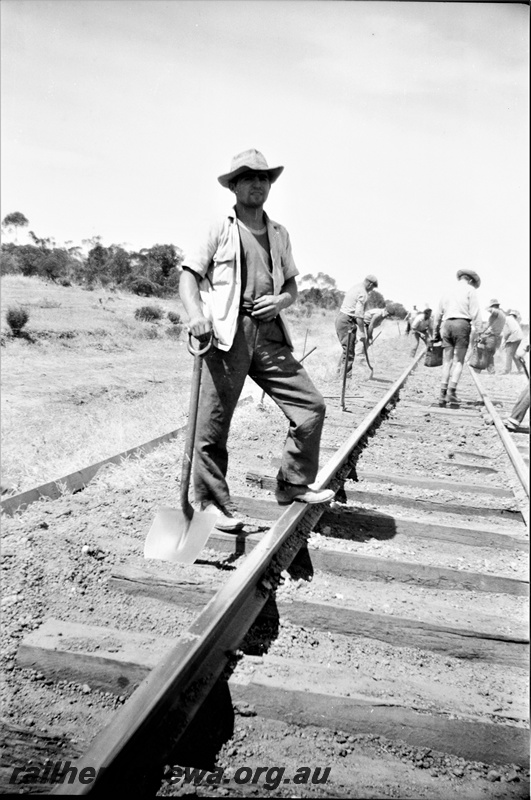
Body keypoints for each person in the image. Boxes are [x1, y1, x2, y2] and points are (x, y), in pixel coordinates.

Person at [179, 148, 335, 532]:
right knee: (212, 425)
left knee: (310, 406)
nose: (257, 184)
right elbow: (188, 277)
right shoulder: (220, 227)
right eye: (248, 178)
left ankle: (293, 483)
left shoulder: (279, 233)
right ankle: (211, 504)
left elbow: (293, 285)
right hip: (227, 335)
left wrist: (282, 299)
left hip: (269, 334)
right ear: (233, 186)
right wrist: (197, 316)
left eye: (263, 178)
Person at [432, 269, 481, 408]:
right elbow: (475, 312)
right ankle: (451, 393)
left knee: (447, 362)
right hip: (462, 325)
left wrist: (435, 332)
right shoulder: (470, 290)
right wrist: (480, 330)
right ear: (471, 280)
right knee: (459, 361)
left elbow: (438, 314)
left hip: (447, 325)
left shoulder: (447, 290)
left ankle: (442, 394)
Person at [335, 274, 379, 377]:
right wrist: (362, 333)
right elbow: (359, 315)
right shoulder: (363, 293)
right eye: (372, 288)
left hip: (342, 318)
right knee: (349, 352)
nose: (371, 290)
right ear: (370, 284)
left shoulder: (356, 287)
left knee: (347, 349)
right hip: (347, 321)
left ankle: (339, 374)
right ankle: (345, 378)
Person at [480, 300, 506, 373]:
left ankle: (489, 370)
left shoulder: (497, 312)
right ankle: (489, 369)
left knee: (488, 353)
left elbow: (491, 310)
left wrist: (488, 307)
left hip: (492, 336)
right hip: (495, 336)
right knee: (489, 353)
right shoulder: (501, 315)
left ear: (494, 306)